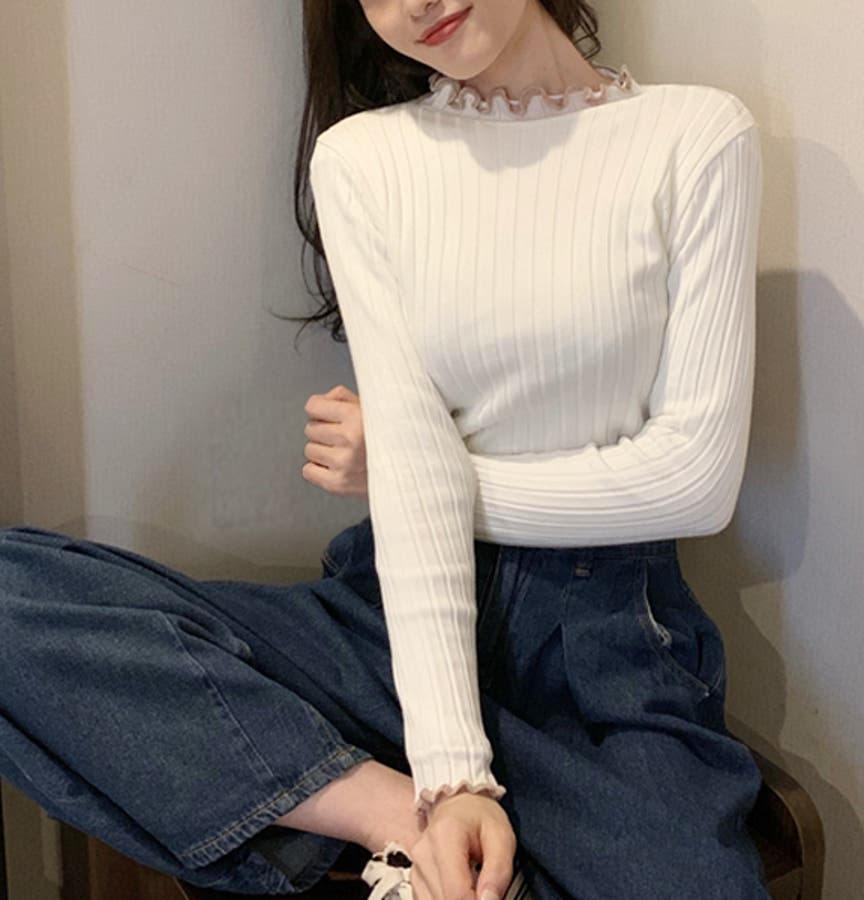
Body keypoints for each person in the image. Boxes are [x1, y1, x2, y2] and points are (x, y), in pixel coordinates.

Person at [0, 1, 770, 898]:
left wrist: (408, 473)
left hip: (607, 651)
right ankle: (385, 821)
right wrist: (447, 784)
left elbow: (692, 480)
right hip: (389, 621)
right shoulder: (363, 158)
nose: (415, 2)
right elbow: (414, 456)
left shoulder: (697, 135)